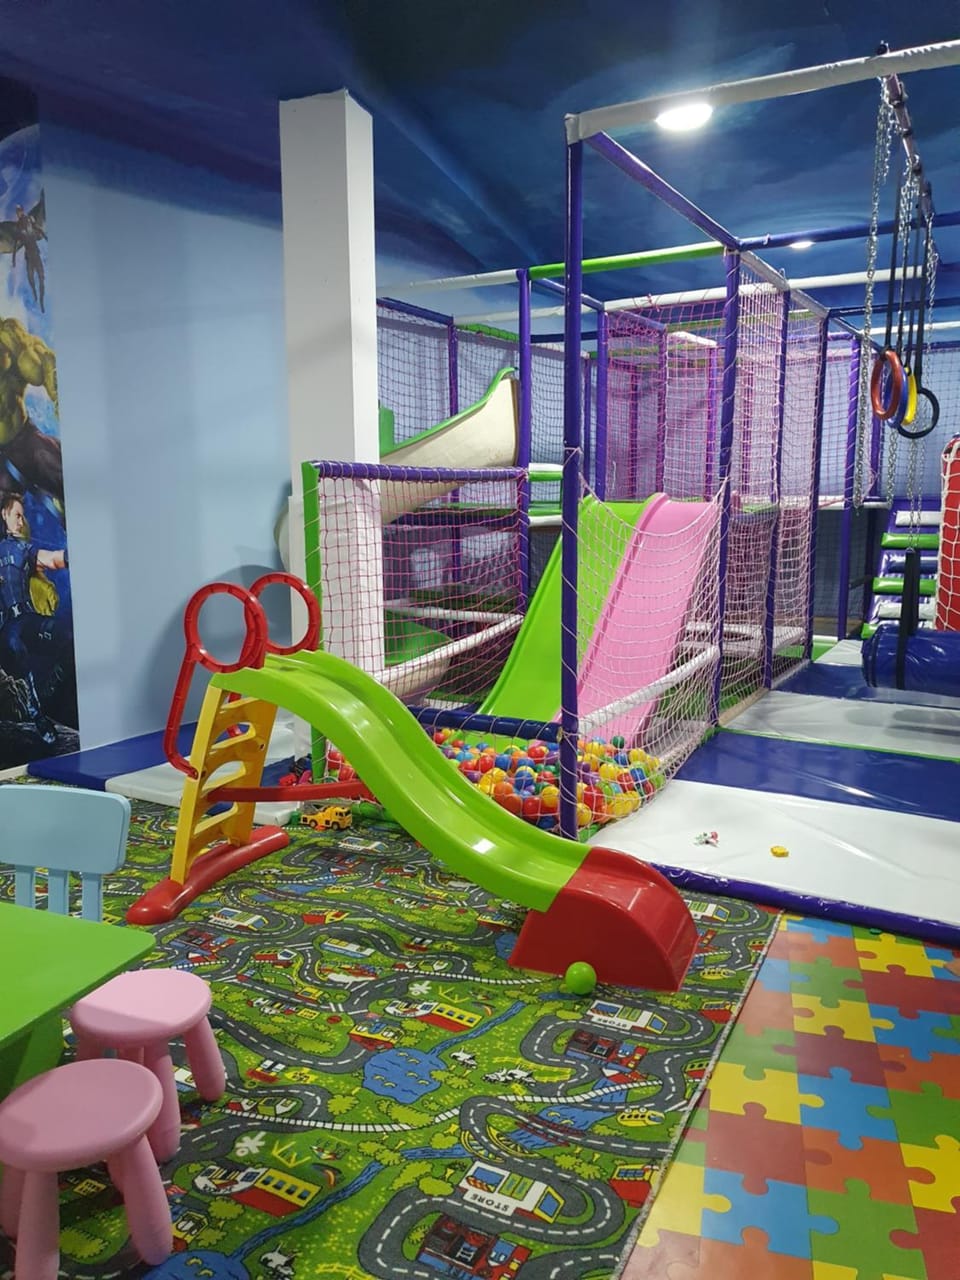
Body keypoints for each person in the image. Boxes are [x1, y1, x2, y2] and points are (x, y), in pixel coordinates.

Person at [0, 489, 69, 743]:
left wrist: (72, 555)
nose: (21, 522)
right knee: (15, 646)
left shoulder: (23, 549)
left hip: (28, 619)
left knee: (66, 637)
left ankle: (46, 694)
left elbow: (50, 560)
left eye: (23, 516)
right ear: (4, 514)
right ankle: (36, 713)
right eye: (17, 515)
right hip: (7, 629)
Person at [0, 316, 62, 518]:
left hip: (23, 440)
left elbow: (45, 364)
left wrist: (58, 397)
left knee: (61, 471)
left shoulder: (11, 337)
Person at [11, 203, 46, 311]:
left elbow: (38, 229)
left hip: (36, 253)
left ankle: (41, 301)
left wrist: (45, 236)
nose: (19, 213)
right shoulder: (17, 227)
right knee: (30, 278)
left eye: (20, 211)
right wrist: (13, 260)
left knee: (41, 278)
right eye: (17, 212)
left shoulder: (30, 219)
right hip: (28, 257)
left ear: (22, 211)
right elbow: (15, 244)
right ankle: (35, 294)